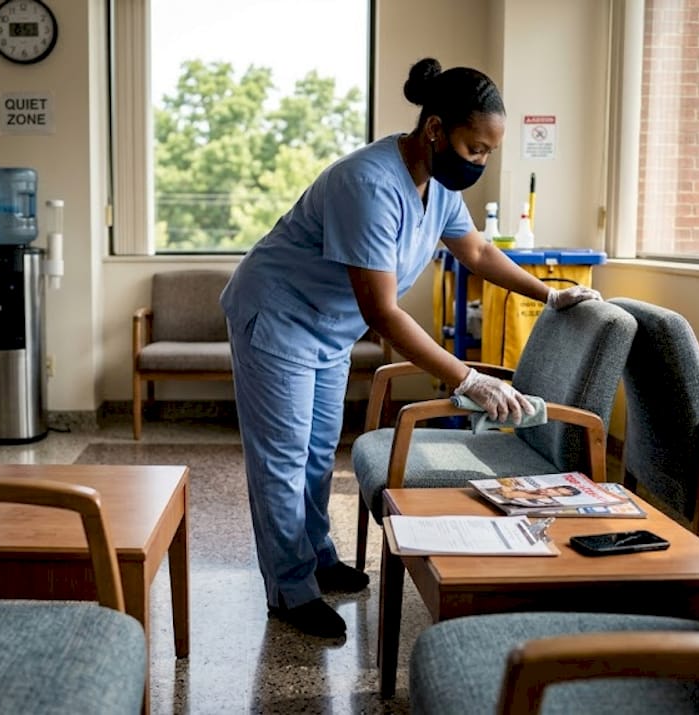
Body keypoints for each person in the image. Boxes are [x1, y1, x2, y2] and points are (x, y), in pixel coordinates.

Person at [219, 58, 601, 639]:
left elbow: (476, 254)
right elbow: (383, 312)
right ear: (435, 129)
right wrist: (469, 380)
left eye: (488, 153)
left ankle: (317, 558)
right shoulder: (366, 183)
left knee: (320, 454)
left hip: (327, 328)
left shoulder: (439, 185)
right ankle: (289, 590)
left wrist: (549, 294)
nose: (480, 162)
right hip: (278, 316)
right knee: (282, 460)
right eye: (476, 149)